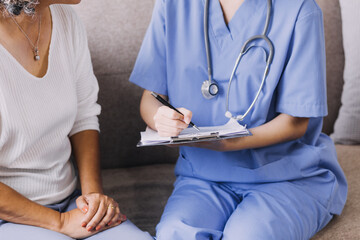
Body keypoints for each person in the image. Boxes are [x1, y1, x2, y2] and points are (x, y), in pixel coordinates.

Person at [129, 0, 348, 239]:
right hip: (203, 175)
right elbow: (151, 98)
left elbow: (295, 123)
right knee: (174, 233)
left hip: (285, 176)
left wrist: (227, 143)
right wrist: (160, 118)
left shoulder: (300, 10)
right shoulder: (173, 5)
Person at [0, 0, 153, 239]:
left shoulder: (65, 18)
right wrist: (59, 222)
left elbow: (84, 115)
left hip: (69, 199)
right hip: (9, 215)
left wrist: (93, 200)